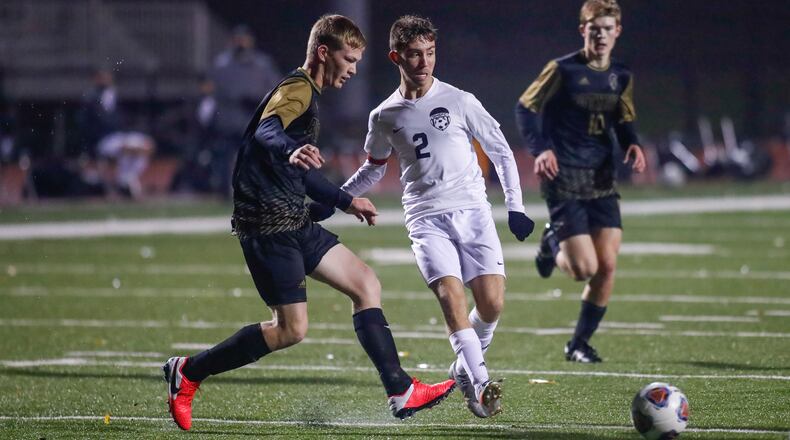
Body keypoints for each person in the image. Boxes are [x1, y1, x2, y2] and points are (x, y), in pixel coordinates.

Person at [162, 15, 455, 431]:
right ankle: (188, 372)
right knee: (290, 330)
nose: (353, 70)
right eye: (348, 59)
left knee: (366, 283)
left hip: (292, 219)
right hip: (267, 227)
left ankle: (400, 389)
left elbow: (303, 176)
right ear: (324, 52)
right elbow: (267, 131)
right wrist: (298, 158)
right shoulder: (297, 88)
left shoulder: (309, 94)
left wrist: (335, 201)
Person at [311, 15, 535, 418]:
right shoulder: (384, 115)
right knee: (451, 298)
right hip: (426, 219)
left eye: (430, 53)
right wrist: (337, 199)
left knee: (493, 304)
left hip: (473, 213)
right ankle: (482, 383)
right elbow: (375, 167)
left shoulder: (460, 100)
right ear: (396, 56)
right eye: (415, 55)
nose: (424, 62)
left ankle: (462, 369)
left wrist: (515, 207)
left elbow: (501, 151)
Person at [515, 0, 646, 363]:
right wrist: (540, 149)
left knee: (607, 266)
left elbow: (624, 118)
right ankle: (551, 241)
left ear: (617, 31)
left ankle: (578, 344)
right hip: (564, 175)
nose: (601, 35)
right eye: (594, 28)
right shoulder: (562, 69)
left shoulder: (622, 75)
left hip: (602, 176)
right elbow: (525, 107)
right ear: (583, 30)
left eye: (608, 28)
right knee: (583, 269)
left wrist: (632, 143)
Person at [208, 24, 282, 197]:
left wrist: (259, 99)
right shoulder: (223, 64)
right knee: (227, 157)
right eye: (238, 39)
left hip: (254, 117)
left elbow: (275, 87)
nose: (241, 43)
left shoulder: (262, 63)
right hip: (230, 118)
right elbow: (218, 89)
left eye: (244, 39)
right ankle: (226, 191)